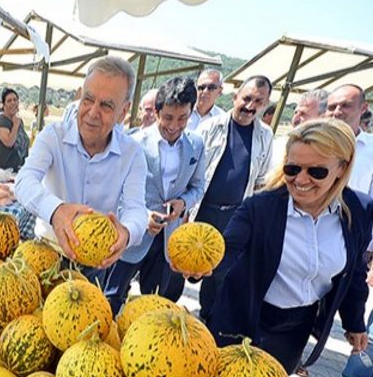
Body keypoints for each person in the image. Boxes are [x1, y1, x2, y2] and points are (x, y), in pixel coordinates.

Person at [185, 119, 372, 375]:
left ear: (342, 168)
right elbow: (227, 249)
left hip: (295, 327)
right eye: (293, 168)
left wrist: (354, 322)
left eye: (316, 171)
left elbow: (354, 273)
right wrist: (200, 265)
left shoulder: (358, 211)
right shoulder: (260, 207)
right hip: (242, 316)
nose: (301, 179)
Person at [15, 55, 148, 297]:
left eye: (107, 105)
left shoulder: (133, 153)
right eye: (88, 100)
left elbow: (137, 209)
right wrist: (56, 211)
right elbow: (24, 181)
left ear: (123, 112)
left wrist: (126, 233)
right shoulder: (53, 135)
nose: (92, 112)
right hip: (43, 254)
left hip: (93, 266)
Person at [106, 77, 206, 313]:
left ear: (191, 113)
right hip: (133, 235)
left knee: (157, 302)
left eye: (182, 118)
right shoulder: (134, 143)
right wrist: (142, 216)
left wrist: (184, 202)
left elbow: (198, 186)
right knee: (112, 296)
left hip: (169, 240)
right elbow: (114, 191)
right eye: (168, 117)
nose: (174, 125)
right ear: (157, 111)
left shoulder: (196, 145)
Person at [193, 75, 274, 318]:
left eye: (258, 101)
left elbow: (261, 182)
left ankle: (209, 319)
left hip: (234, 215)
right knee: (185, 261)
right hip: (202, 209)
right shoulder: (209, 127)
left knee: (221, 273)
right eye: (247, 98)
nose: (250, 106)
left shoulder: (265, 136)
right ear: (235, 96)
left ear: (266, 103)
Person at [326, 84, 373, 377]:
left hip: (353, 239)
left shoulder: (370, 150)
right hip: (314, 229)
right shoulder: (316, 140)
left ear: (362, 108)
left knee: (348, 296)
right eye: (331, 107)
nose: (337, 112)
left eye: (344, 106)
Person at [269, 89, 329, 175]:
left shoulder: (331, 153)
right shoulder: (277, 146)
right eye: (295, 112)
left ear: (323, 118)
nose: (295, 119)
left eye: (303, 114)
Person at [0, 87, 30, 171]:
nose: (13, 103)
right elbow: (9, 142)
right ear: (4, 105)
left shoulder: (19, 121)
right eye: (9, 101)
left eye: (15, 100)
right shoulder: (1, 122)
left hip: (19, 171)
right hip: (4, 174)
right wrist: (15, 125)